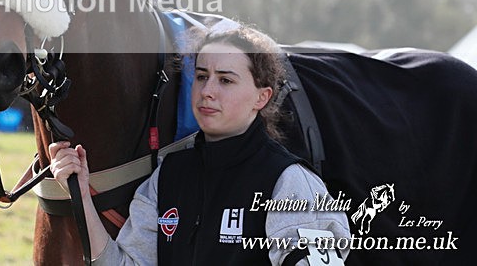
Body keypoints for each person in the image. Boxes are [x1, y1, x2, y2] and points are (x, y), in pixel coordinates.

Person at [50, 23, 351, 265]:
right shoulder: (168, 176)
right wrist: (81, 194)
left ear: (262, 97)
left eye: (226, 80)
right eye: (202, 76)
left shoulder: (290, 183)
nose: (207, 91)